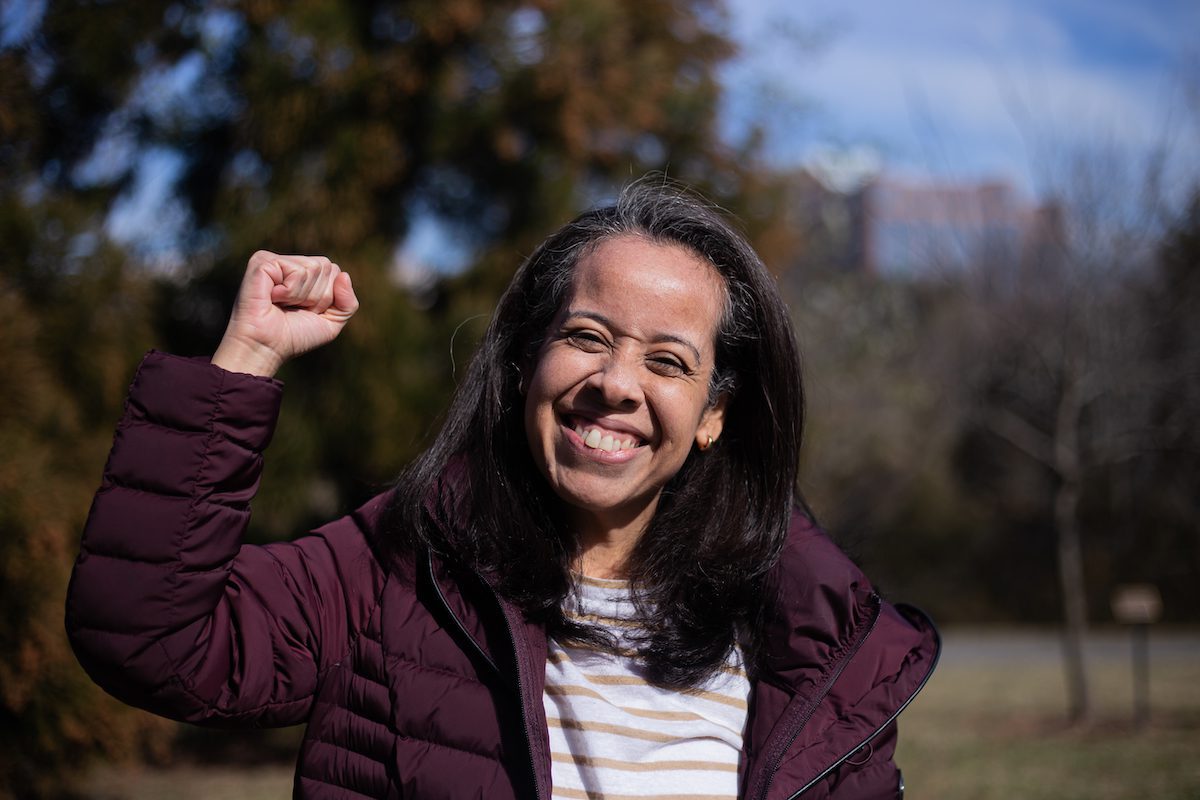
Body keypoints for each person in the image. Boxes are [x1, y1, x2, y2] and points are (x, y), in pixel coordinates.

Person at [67, 177, 939, 799]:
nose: (617, 383)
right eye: (588, 336)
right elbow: (151, 639)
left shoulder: (821, 648)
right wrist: (246, 358)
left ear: (714, 415)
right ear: (527, 361)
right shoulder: (397, 568)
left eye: (669, 362)